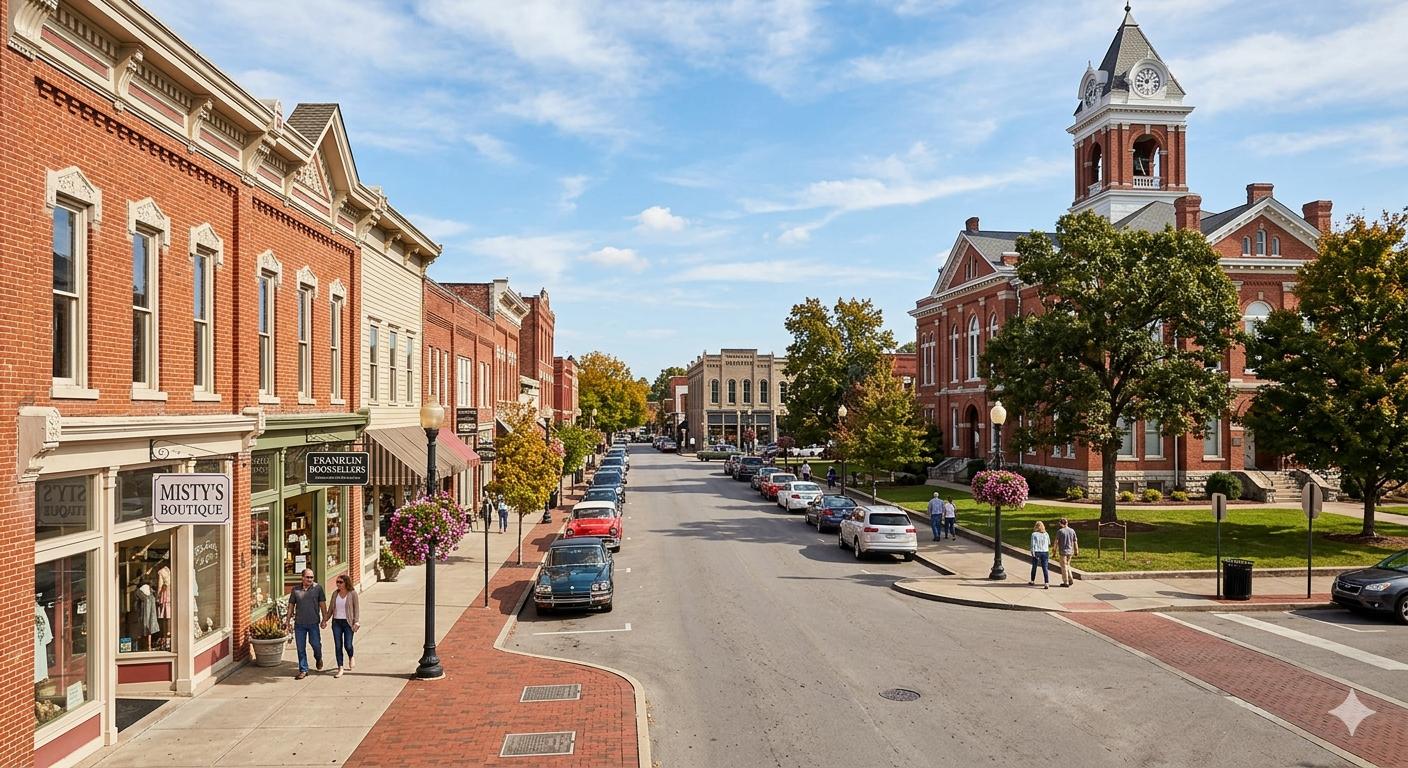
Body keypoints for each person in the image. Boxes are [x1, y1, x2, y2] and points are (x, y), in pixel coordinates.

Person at [286, 569, 326, 679]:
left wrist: (324, 619)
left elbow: (322, 604)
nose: (310, 579)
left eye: (312, 577)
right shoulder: (295, 590)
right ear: (302, 578)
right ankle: (303, 669)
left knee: (316, 644)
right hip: (299, 624)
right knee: (301, 648)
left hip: (313, 623)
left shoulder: (318, 588)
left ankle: (318, 657)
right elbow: (291, 605)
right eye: (308, 577)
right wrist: (288, 620)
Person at [321, 574, 360, 678]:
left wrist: (356, 622)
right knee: (338, 646)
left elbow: (356, 609)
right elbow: (330, 610)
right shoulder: (335, 594)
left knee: (348, 645)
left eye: (340, 582)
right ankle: (340, 667)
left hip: (348, 623)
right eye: (337, 582)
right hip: (337, 623)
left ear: (346, 583)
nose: (338, 584)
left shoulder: (352, 594)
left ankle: (351, 656)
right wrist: (325, 620)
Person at [1055, 517, 1079, 587]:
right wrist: (1076, 550)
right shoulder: (1072, 531)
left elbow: (1056, 542)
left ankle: (1066, 581)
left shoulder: (1060, 531)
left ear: (1060, 523)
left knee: (1064, 566)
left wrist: (1054, 551)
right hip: (1070, 551)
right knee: (1068, 565)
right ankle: (1070, 578)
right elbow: (1075, 541)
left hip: (1063, 551)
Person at [1029, 521, 1052, 588]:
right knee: (1045, 567)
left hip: (1037, 551)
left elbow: (1032, 544)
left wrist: (1033, 553)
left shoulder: (1034, 534)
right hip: (1045, 551)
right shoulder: (1046, 534)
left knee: (1034, 566)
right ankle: (1046, 582)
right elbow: (1049, 543)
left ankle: (1032, 580)